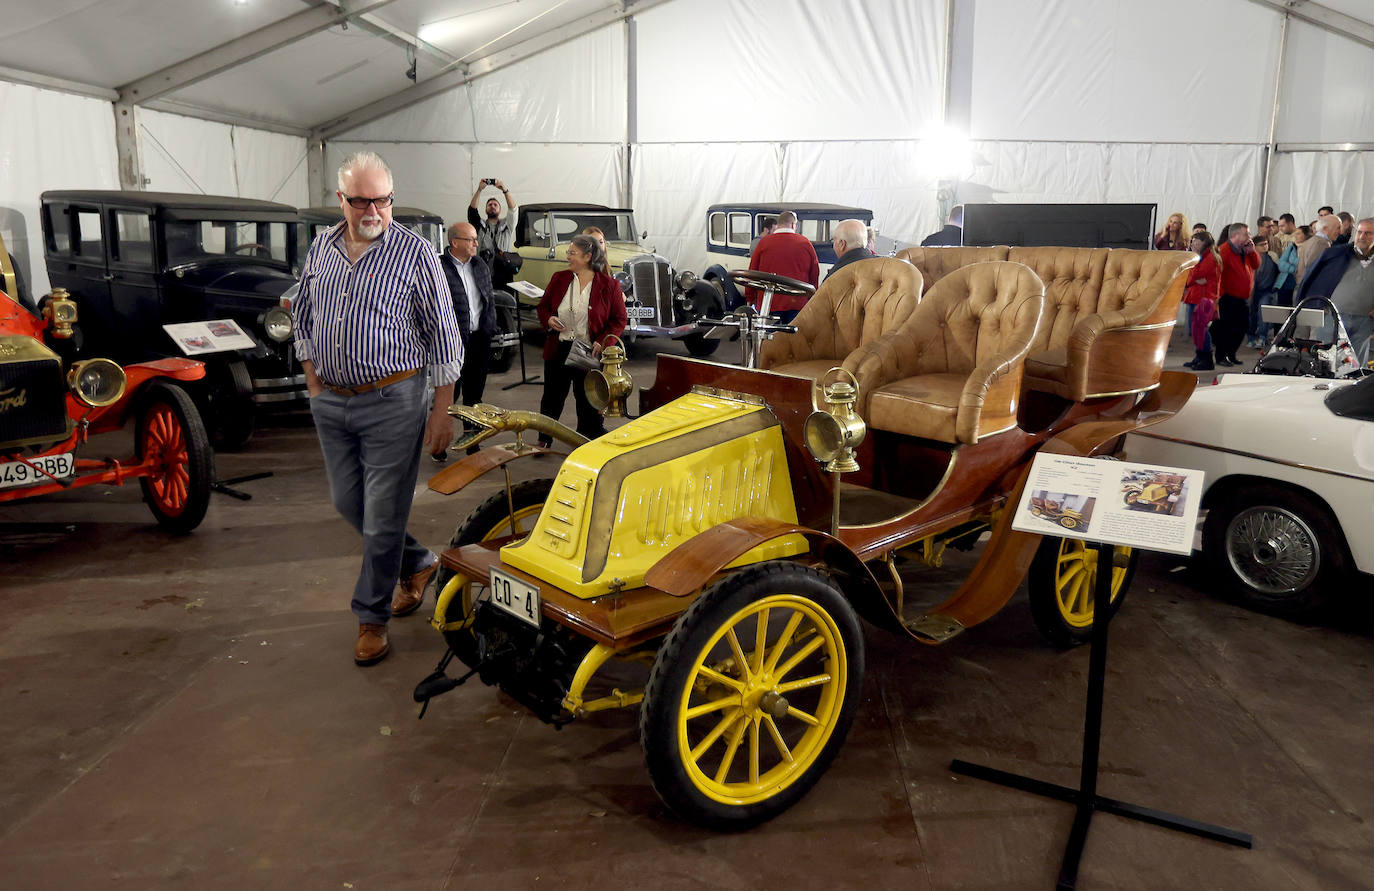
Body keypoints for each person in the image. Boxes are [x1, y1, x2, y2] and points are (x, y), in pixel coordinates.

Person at [293, 151, 463, 667]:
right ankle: (417, 562)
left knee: (383, 514)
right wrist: (314, 383)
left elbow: (445, 335)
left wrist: (442, 410)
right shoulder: (322, 247)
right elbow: (302, 313)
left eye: (383, 200)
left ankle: (371, 617)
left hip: (395, 400)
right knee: (351, 503)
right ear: (341, 200)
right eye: (362, 200)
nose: (374, 210)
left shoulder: (415, 255)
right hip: (333, 403)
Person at [535, 234, 627, 445]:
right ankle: (544, 438)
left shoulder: (609, 285)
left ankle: (586, 440)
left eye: (572, 253)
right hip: (558, 347)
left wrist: (603, 341)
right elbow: (543, 307)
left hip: (589, 351)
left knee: (588, 399)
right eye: (568, 253)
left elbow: (619, 319)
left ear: (588, 256)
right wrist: (548, 319)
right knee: (552, 397)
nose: (568, 257)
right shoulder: (559, 278)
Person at [440, 221, 497, 455]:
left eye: (475, 239)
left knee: (474, 396)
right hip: (451, 343)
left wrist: (490, 327)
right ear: (455, 242)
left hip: (478, 340)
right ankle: (439, 442)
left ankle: (472, 442)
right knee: (448, 396)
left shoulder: (480, 264)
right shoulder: (439, 267)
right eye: (471, 239)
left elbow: (488, 298)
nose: (476, 243)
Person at [1295, 217, 1374, 368]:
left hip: (1364, 321)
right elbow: (1313, 279)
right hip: (1332, 318)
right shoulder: (1336, 254)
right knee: (1326, 362)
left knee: (1356, 366)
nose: (1362, 236)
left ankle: (1353, 391)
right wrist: (1316, 307)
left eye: (1368, 233)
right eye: (1360, 232)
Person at [744, 210, 819, 322]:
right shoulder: (805, 243)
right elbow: (814, 274)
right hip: (797, 303)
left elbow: (752, 273)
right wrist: (811, 297)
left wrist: (750, 297)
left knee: (768, 337)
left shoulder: (764, 243)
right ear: (794, 224)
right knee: (794, 337)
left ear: (778, 225)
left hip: (768, 302)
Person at [1214, 223, 1260, 367]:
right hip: (1227, 297)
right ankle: (1221, 356)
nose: (1249, 237)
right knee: (1226, 329)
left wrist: (1252, 251)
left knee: (1242, 327)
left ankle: (1231, 353)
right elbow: (1217, 275)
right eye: (1246, 234)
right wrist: (1217, 298)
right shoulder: (1224, 251)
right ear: (1235, 235)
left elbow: (1256, 265)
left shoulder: (1244, 250)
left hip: (1242, 297)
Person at [1182, 230, 1221, 371]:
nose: (1192, 244)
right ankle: (1199, 357)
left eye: (1196, 242)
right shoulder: (1201, 257)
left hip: (1203, 299)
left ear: (1204, 243)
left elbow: (1193, 274)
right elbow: (1190, 277)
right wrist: (1193, 278)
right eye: (1192, 241)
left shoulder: (1209, 258)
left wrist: (1192, 276)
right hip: (1197, 296)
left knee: (1201, 330)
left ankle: (1207, 360)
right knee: (1197, 330)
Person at [1246, 233, 1279, 348]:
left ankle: (1262, 337)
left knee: (1263, 313)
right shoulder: (1250, 257)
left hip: (1267, 290)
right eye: (1261, 245)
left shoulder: (1272, 256)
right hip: (1252, 290)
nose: (1265, 246)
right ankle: (1250, 337)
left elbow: (1279, 271)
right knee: (1251, 314)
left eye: (1266, 244)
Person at [468, 178, 517, 255]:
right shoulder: (480, 225)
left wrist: (505, 190)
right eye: (489, 205)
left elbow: (513, 210)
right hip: (483, 266)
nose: (492, 206)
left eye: (495, 205)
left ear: (500, 210)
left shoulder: (507, 225)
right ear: (485, 210)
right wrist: (479, 190)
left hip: (503, 266)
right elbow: (472, 210)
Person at [1296, 214, 1341, 286]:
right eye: (1338, 228)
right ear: (1325, 228)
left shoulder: (1311, 241)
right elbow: (1313, 269)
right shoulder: (1321, 243)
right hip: (1312, 290)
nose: (1340, 232)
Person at [1273, 224, 1307, 309]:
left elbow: (1303, 264)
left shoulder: (1308, 248)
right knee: (1281, 311)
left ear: (1306, 235)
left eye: (1299, 233)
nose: (1296, 235)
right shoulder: (1292, 246)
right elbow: (1281, 263)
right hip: (1285, 283)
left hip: (1298, 284)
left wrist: (1292, 262)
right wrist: (1293, 268)